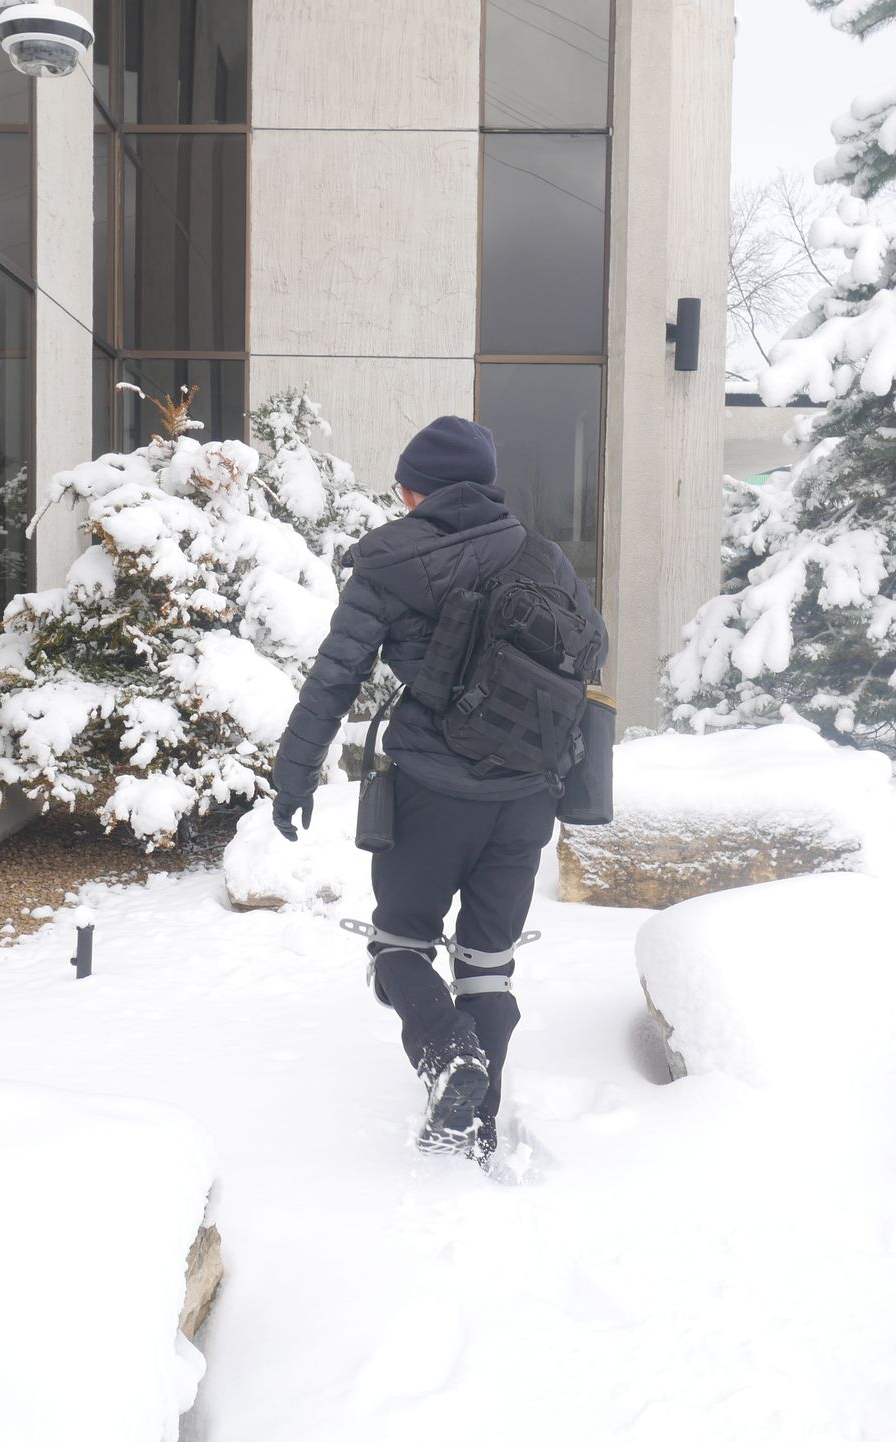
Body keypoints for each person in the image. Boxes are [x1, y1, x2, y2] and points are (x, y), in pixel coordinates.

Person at [268, 415, 608, 1163]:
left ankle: (448, 1055)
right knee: (487, 964)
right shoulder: (543, 556)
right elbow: (594, 651)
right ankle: (475, 1126)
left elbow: (334, 680)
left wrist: (293, 777)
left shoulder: (388, 562)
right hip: (527, 796)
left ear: (413, 490)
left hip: (429, 793)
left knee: (401, 945)